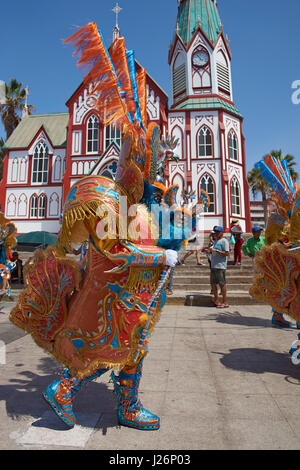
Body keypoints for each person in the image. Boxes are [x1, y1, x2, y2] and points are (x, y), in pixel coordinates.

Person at [209, 226, 230, 308]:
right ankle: (217, 300)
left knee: (222, 284)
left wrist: (216, 251)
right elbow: (212, 252)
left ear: (222, 233)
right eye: (215, 232)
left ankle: (225, 301)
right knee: (213, 284)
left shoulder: (224, 241)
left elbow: (227, 253)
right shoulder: (215, 242)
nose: (216, 233)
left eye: (218, 232)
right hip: (213, 265)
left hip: (221, 266)